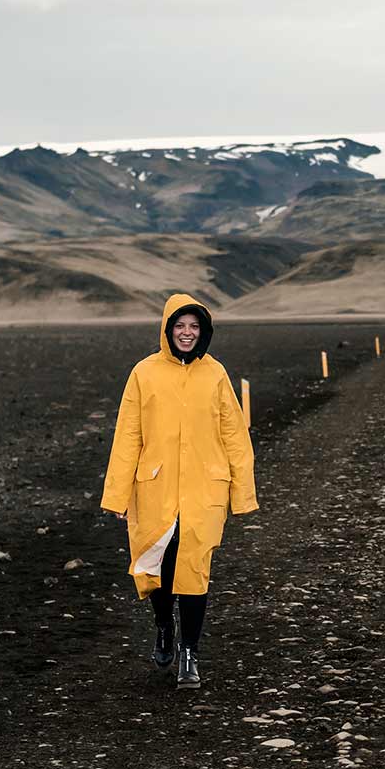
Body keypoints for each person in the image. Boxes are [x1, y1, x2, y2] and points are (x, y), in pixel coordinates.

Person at [100, 293, 258, 689]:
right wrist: (117, 495)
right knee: (159, 567)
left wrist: (242, 493)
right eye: (180, 326)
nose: (187, 333)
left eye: (194, 327)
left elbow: (234, 435)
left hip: (205, 490)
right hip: (156, 488)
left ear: (203, 331)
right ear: (168, 329)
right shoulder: (144, 373)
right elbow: (128, 436)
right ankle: (163, 624)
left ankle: (190, 653)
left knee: (195, 570)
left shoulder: (215, 374)